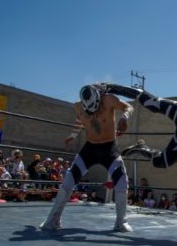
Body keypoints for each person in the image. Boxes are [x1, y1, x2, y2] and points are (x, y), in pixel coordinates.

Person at [40, 84, 134, 232]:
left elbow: (129, 107)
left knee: (122, 182)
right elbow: (81, 120)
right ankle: (53, 220)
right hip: (89, 149)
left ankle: (121, 222)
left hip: (109, 149)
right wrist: (73, 136)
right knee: (68, 181)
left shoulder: (109, 99)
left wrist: (124, 117)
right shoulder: (78, 106)